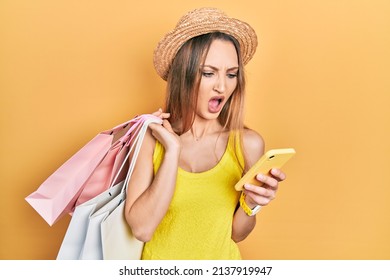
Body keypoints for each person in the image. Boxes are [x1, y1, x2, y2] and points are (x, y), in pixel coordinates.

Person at [124, 7, 287, 260]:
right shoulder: (149, 137)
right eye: (208, 73)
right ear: (183, 76)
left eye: (231, 74)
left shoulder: (248, 144)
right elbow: (142, 229)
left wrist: (251, 204)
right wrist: (172, 151)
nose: (222, 86)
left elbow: (237, 234)